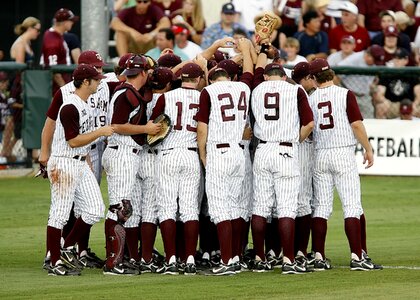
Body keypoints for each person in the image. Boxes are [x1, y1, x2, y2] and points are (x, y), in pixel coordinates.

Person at [308, 58, 378, 271]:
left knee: (321, 207)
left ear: (314, 78)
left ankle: (318, 255)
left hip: (319, 154)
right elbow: (356, 124)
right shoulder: (345, 94)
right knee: (352, 206)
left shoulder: (311, 98)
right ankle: (358, 256)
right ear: (330, 73)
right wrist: (368, 148)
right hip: (342, 152)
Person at [45, 64, 114, 276]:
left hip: (80, 162)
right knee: (59, 215)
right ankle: (54, 261)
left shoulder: (82, 103)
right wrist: (100, 132)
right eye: (96, 79)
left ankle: (66, 248)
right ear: (85, 82)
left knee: (94, 209)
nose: (99, 82)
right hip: (64, 162)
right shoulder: (69, 106)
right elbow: (73, 141)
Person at [250, 52, 314, 274]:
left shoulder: (256, 90)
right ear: (284, 76)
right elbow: (309, 123)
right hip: (286, 148)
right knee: (287, 207)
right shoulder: (295, 89)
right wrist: (295, 140)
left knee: (260, 207)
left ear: (267, 77)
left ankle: (259, 257)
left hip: (263, 148)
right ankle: (288, 260)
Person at [196, 38, 253, 275]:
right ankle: (235, 258)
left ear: (211, 78)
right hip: (239, 152)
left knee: (220, 210)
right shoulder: (243, 88)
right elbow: (249, 70)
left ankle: (228, 261)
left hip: (219, 152)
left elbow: (202, 127)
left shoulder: (208, 91)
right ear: (229, 77)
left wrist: (202, 154)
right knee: (234, 207)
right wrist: (248, 48)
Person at [102, 54, 161, 275]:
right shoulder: (125, 94)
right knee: (119, 208)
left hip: (127, 153)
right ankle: (113, 263)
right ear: (144, 73)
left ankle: (121, 259)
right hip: (121, 152)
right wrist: (145, 129)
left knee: (126, 209)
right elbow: (117, 125)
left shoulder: (130, 91)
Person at [150, 62, 204, 275]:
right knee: (190, 208)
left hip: (168, 152)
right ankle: (190, 258)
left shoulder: (166, 96)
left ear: (181, 77)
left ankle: (171, 259)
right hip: (191, 152)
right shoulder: (203, 96)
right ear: (199, 79)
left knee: (167, 208)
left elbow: (153, 125)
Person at [138, 66, 174, 273]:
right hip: (154, 157)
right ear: (168, 85)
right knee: (150, 211)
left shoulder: (143, 95)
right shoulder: (167, 101)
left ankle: (133, 255)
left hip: (136, 154)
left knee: (134, 211)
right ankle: (146, 257)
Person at [371, 48, 420, 119]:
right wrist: (385, 102)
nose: (396, 61)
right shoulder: (387, 73)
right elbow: (379, 93)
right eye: (395, 58)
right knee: (380, 107)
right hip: (392, 105)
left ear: (406, 60)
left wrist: (415, 104)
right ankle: (382, 130)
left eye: (399, 58)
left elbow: (418, 93)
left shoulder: (412, 74)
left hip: (409, 104)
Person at [40, 8, 78, 95]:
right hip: (55, 90)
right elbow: (54, 70)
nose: (72, 23)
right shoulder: (52, 40)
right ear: (64, 22)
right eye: (71, 21)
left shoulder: (56, 35)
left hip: (58, 88)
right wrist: (66, 90)